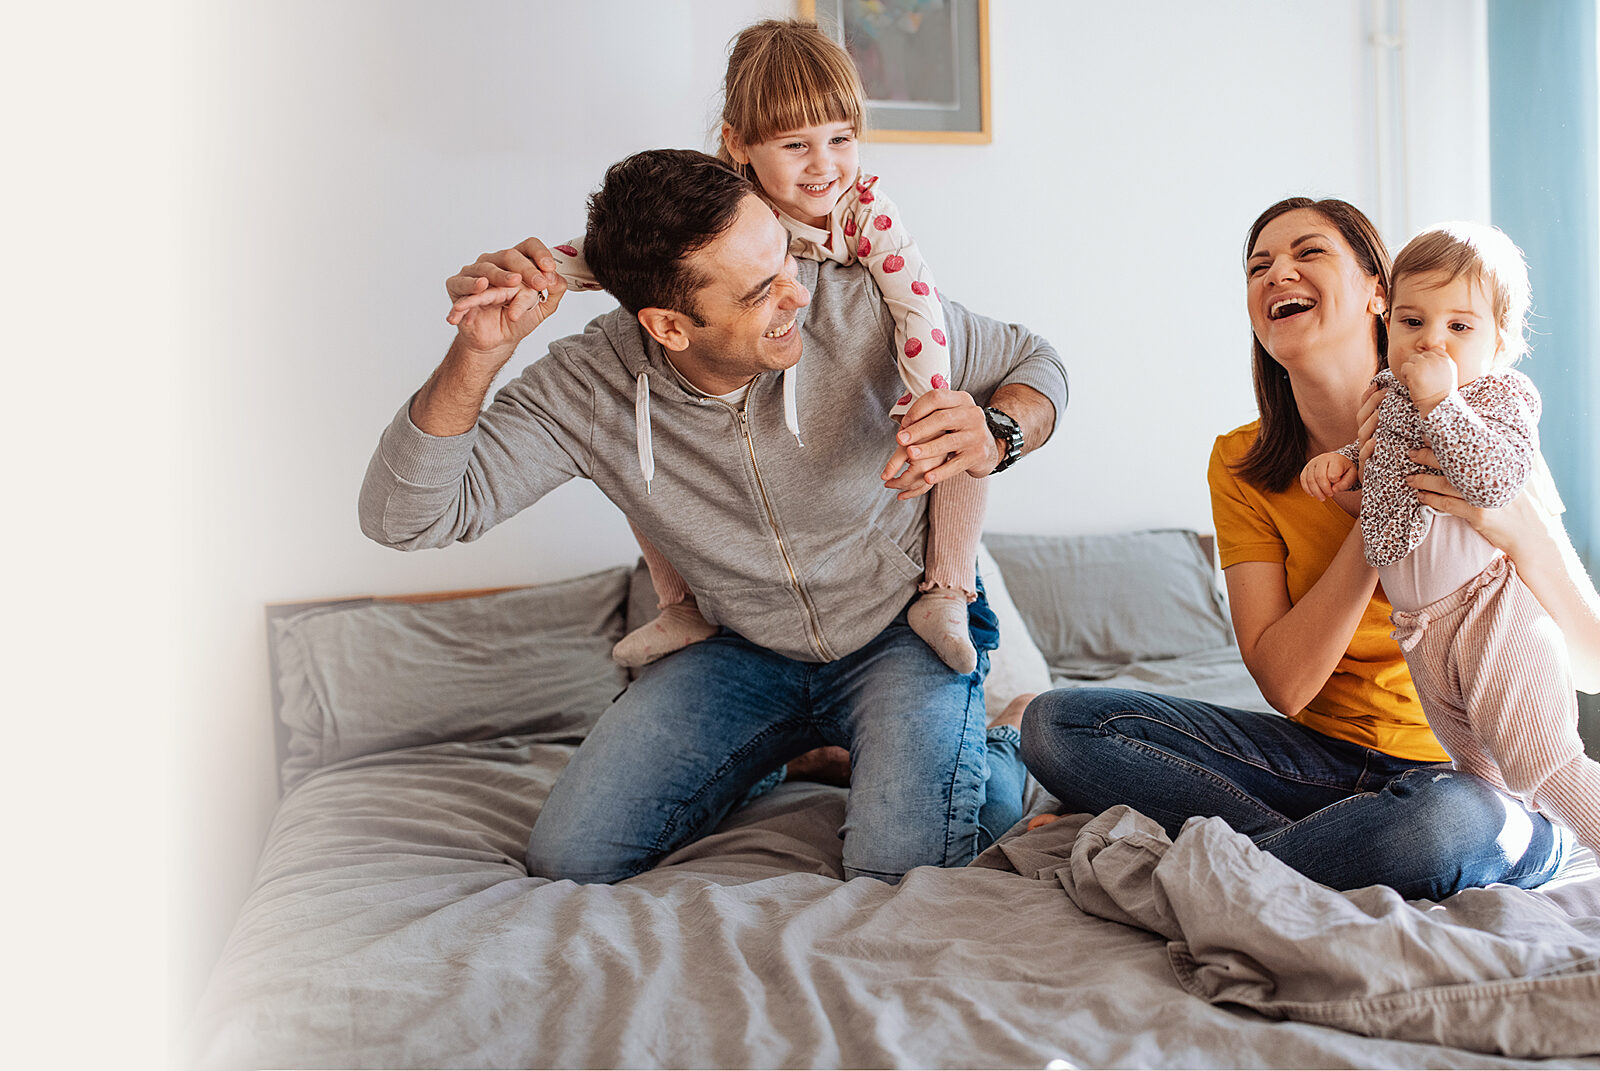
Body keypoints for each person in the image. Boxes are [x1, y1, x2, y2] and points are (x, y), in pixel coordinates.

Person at [359, 148, 1068, 884]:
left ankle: (1008, 739)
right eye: (762, 290)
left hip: (897, 632)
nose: (798, 293)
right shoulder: (590, 387)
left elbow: (1035, 362)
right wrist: (478, 355)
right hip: (741, 649)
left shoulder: (862, 306)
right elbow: (405, 518)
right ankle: (792, 752)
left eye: (786, 256)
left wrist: (1002, 432)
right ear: (669, 326)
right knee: (573, 857)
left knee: (898, 873)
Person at [1020, 196, 1597, 901]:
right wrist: (1379, 494)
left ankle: (1241, 867)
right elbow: (1287, 686)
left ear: (1378, 293)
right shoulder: (1242, 463)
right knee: (1057, 723)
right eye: (1258, 265)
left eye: (1309, 252)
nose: (1277, 273)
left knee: (1442, 825)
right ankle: (1324, 848)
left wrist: (1520, 530)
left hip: (1464, 779)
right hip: (1321, 761)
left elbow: (1590, 663)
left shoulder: (1476, 417)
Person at [549, 19, 994, 674]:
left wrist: (926, 392)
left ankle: (948, 591)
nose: (824, 164)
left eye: (841, 138)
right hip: (730, 388)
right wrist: (542, 275)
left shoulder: (865, 211)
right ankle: (680, 607)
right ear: (738, 143)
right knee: (637, 452)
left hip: (870, 405)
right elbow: (622, 253)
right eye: (795, 144)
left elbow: (916, 299)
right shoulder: (728, 209)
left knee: (954, 416)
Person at [1300, 222, 1600, 853]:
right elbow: (1388, 462)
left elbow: (1492, 480)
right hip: (1421, 629)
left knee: (1544, 764)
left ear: (1501, 342)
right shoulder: (1387, 396)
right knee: (1477, 775)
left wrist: (1442, 403)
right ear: (1387, 326)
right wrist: (1344, 463)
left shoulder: (1499, 396)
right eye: (1412, 322)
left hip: (1492, 610)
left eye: (1459, 326)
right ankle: (1512, 864)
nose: (1431, 340)